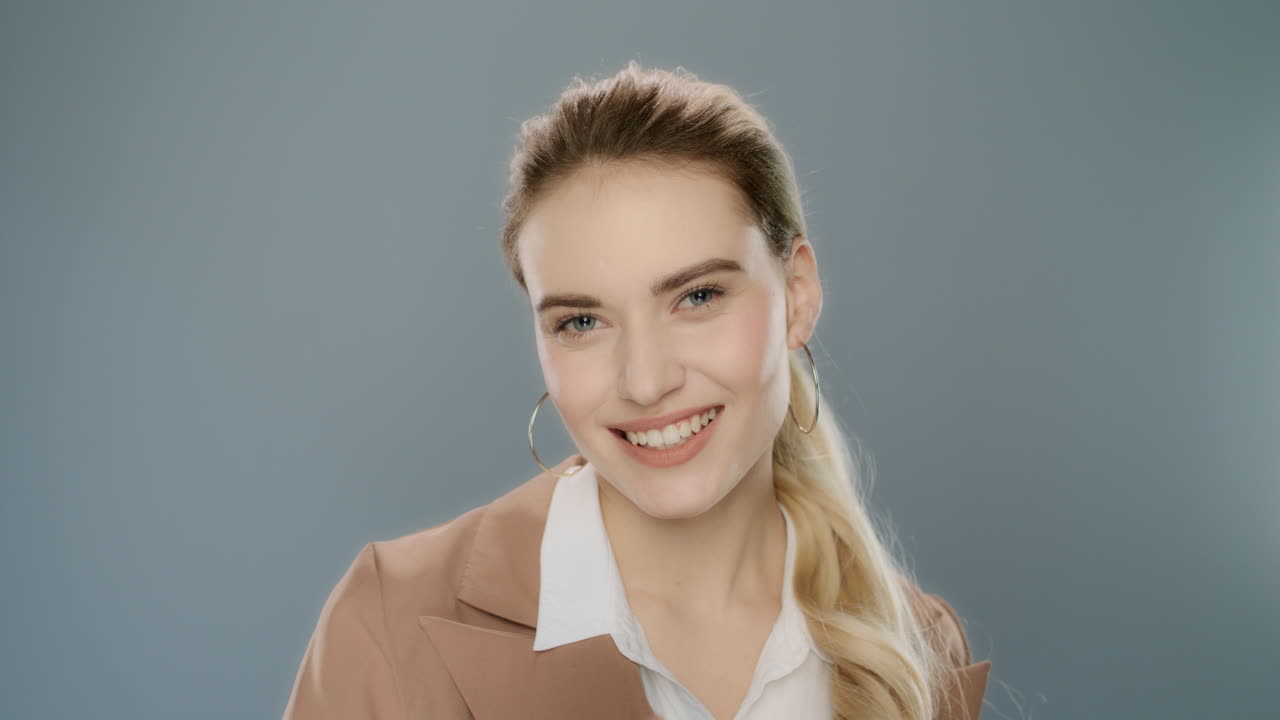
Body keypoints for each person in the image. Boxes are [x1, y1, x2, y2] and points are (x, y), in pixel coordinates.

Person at [281, 61, 991, 720]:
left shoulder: (912, 648)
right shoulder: (391, 622)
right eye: (582, 321)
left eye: (698, 296)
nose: (646, 382)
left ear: (797, 295)